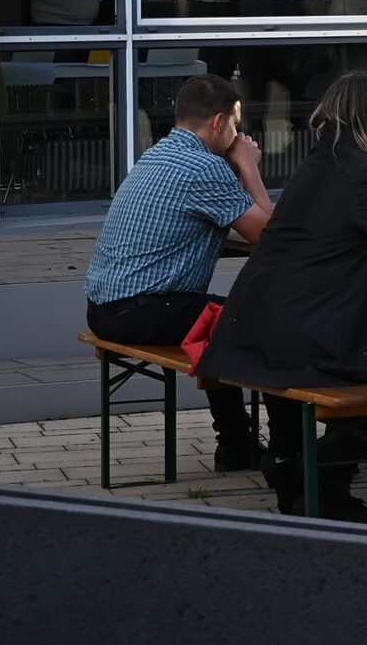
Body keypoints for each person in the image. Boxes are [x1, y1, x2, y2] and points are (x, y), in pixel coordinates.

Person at [195, 74, 367, 521]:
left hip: (255, 325)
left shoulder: (315, 164)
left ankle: (304, 484)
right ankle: (317, 481)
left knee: (311, 380)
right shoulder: (366, 174)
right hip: (309, 334)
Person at [83, 77, 274, 471]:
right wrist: (249, 166)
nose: (240, 137)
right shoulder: (205, 167)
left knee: (222, 319)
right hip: (143, 310)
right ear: (219, 122)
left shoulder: (156, 155)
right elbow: (268, 234)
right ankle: (260, 447)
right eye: (237, 127)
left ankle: (237, 443)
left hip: (105, 308)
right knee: (254, 322)